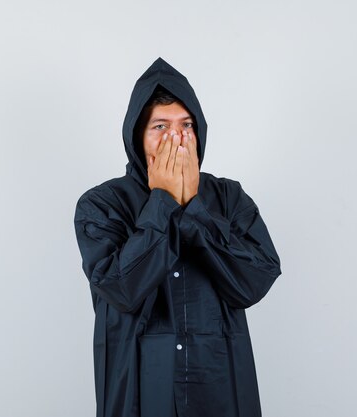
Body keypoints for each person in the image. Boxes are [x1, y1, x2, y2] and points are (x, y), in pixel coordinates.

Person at [73, 57, 282, 417]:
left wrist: (194, 209)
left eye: (186, 125)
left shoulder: (229, 198)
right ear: (137, 136)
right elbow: (123, 288)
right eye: (160, 126)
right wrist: (163, 201)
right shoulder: (101, 204)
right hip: (140, 384)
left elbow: (254, 282)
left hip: (218, 380)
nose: (176, 138)